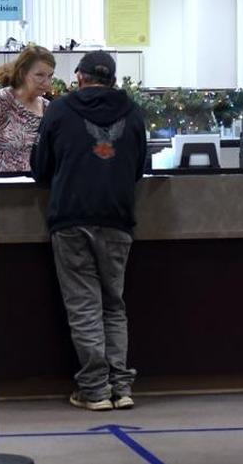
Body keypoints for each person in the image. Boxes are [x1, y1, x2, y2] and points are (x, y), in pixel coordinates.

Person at [30, 51, 148, 412]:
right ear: (113, 79)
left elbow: (40, 169)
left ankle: (95, 390)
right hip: (117, 217)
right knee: (113, 304)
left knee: (84, 305)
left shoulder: (59, 110)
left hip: (72, 218)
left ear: (80, 77)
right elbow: (139, 168)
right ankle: (121, 388)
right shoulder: (133, 112)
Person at [0, 44, 56, 172]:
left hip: (35, 183)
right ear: (23, 73)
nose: (47, 83)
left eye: (50, 76)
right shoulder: (0, 100)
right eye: (39, 75)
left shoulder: (48, 109)